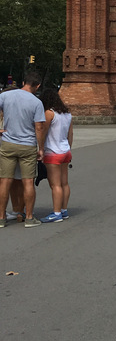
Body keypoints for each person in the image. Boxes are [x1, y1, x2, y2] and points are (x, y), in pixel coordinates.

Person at [0, 68, 47, 228]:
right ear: (37, 85)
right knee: (28, 182)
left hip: (8, 143)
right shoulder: (36, 102)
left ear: (23, 82)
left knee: (5, 181)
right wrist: (41, 148)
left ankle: (1, 218)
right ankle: (29, 217)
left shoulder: (5, 96)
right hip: (27, 145)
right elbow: (39, 127)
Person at [40, 88, 73, 223]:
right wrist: (68, 147)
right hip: (65, 150)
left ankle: (56, 213)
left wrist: (40, 148)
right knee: (64, 183)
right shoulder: (67, 114)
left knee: (55, 185)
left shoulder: (49, 113)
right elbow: (70, 134)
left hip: (52, 151)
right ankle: (64, 210)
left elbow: (42, 132)